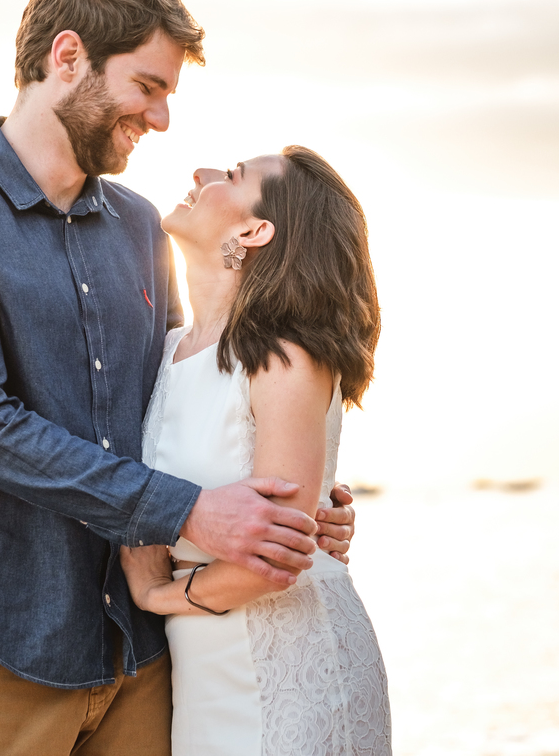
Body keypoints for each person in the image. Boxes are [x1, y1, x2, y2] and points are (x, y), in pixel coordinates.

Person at [0, 0, 355, 753]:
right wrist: (193, 511)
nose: (159, 120)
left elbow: (180, 402)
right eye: (147, 86)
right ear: (68, 57)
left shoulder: (138, 226)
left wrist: (296, 499)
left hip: (144, 656)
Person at [120, 148, 391, 755]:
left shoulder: (286, 354)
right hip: (203, 670)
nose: (201, 174)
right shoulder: (165, 351)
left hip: (293, 660)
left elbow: (281, 548)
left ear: (254, 230)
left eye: (234, 176)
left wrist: (161, 596)